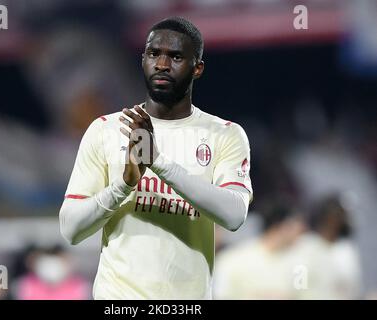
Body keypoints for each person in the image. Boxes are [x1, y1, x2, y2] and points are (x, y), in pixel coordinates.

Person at [59, 17, 253, 299]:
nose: (162, 64)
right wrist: (122, 186)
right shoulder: (106, 129)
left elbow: (234, 215)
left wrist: (158, 162)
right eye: (154, 54)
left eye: (175, 56)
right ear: (143, 61)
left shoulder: (224, 134)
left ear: (197, 68)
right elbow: (71, 230)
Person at [213, 203, 307, 299]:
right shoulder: (231, 259)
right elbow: (222, 295)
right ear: (282, 227)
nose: (302, 233)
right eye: (299, 228)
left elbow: (304, 295)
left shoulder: (300, 264)